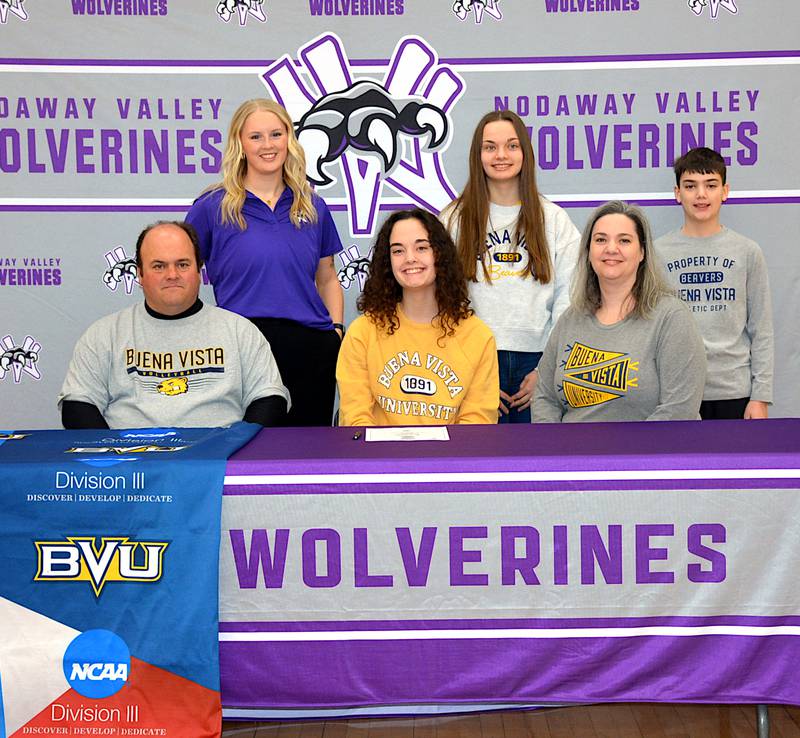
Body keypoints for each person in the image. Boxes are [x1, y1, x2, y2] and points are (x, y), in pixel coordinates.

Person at [186, 99, 344, 427]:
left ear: (289, 138)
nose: (268, 145)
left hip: (311, 348)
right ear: (239, 144)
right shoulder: (212, 207)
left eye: (276, 134)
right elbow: (182, 275)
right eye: (256, 136)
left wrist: (336, 333)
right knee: (247, 454)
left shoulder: (313, 205)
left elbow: (327, 277)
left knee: (309, 459)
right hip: (242, 347)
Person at [59, 221, 289, 429]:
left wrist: (233, 447)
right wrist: (115, 459)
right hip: (131, 466)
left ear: (199, 270)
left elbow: (270, 399)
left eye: (182, 264)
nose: (172, 275)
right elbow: (78, 405)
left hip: (219, 462)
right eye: (159, 266)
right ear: (139, 273)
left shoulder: (240, 331)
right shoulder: (104, 335)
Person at [441, 110, 580, 423]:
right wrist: (465, 369)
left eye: (511, 146)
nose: (500, 155)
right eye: (490, 147)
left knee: (534, 462)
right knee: (477, 463)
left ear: (525, 153)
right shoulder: (452, 220)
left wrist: (547, 368)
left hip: (537, 359)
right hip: (470, 359)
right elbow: (440, 299)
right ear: (477, 155)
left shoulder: (553, 219)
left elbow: (570, 297)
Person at [532, 201, 705, 423]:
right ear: (588, 251)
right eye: (600, 240)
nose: (611, 249)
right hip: (573, 455)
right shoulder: (571, 319)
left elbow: (679, 409)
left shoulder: (671, 317)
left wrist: (623, 456)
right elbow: (545, 398)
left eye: (624, 240)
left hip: (645, 455)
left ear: (642, 252)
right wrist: (557, 449)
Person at [336, 209, 499, 426]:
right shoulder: (363, 332)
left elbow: (477, 425)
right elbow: (355, 419)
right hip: (379, 458)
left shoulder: (477, 336)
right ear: (388, 261)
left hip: (449, 459)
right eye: (398, 251)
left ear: (440, 254)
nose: (410, 258)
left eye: (421, 248)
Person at [655, 147, 774, 420]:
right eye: (690, 186)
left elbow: (762, 329)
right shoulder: (657, 253)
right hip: (675, 393)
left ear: (725, 191)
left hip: (735, 393)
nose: (701, 194)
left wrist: (761, 395)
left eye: (710, 185)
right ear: (677, 194)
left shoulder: (747, 251)